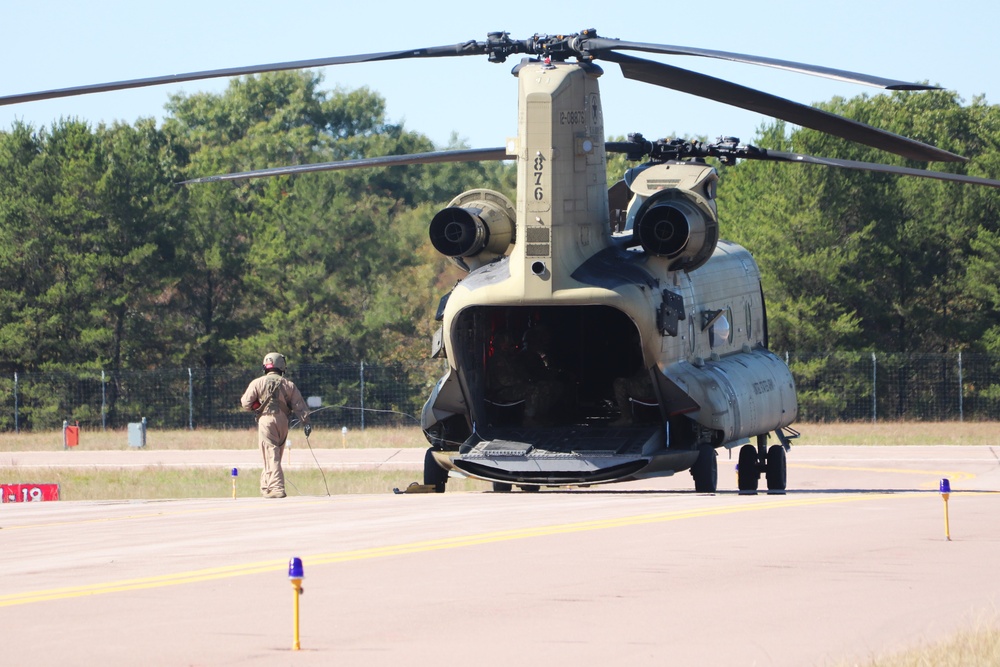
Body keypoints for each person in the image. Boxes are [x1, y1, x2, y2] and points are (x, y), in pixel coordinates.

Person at [240, 352, 311, 498]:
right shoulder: (289, 384)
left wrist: (257, 406)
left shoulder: (257, 382)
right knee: (273, 454)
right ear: (282, 366)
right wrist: (306, 422)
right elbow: (299, 405)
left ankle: (277, 488)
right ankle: (266, 486)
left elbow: (245, 403)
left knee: (270, 453)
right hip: (283, 421)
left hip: (266, 420)